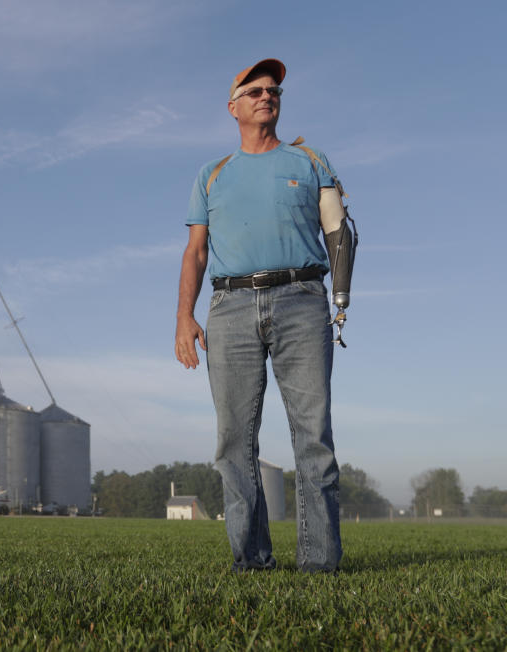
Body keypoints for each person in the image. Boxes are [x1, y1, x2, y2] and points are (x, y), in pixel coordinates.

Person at [175, 58, 351, 573]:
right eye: (254, 90)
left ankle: (319, 564)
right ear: (233, 107)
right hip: (229, 307)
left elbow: (339, 233)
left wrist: (341, 297)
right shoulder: (211, 174)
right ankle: (251, 561)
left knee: (313, 436)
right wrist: (184, 318)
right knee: (234, 440)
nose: (266, 95)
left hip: (302, 299)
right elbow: (195, 253)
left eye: (273, 89)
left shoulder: (311, 161)